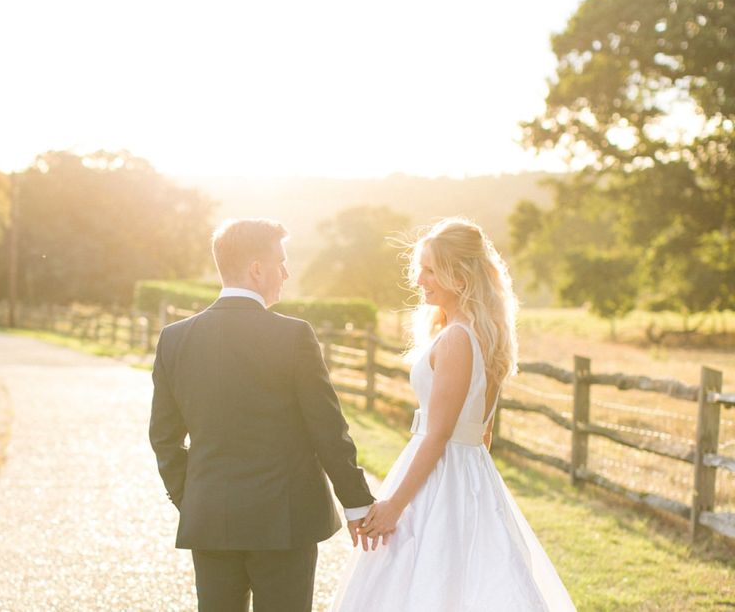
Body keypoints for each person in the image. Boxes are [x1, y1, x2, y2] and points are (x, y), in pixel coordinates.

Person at [333, 217, 575, 611]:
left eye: (430, 270)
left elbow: (438, 434)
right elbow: (484, 433)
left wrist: (395, 505)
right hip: (465, 470)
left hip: (441, 471)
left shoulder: (458, 339)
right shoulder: (479, 333)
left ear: (459, 277)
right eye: (420, 268)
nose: (419, 279)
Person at [149, 218, 374, 612]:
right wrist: (357, 503)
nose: (286, 273)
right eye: (281, 262)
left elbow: (164, 438)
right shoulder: (294, 335)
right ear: (257, 269)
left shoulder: (175, 338)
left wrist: (193, 498)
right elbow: (327, 430)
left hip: (211, 518)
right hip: (284, 524)